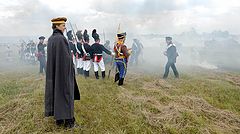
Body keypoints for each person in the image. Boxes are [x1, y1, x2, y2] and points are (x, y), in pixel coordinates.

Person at [45, 17, 80, 128]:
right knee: (66, 93)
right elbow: (66, 59)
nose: (65, 28)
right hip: (63, 72)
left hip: (54, 72)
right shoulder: (61, 39)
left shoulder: (51, 39)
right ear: (57, 26)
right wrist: (71, 70)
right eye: (63, 25)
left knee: (56, 92)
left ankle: (59, 120)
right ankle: (69, 122)